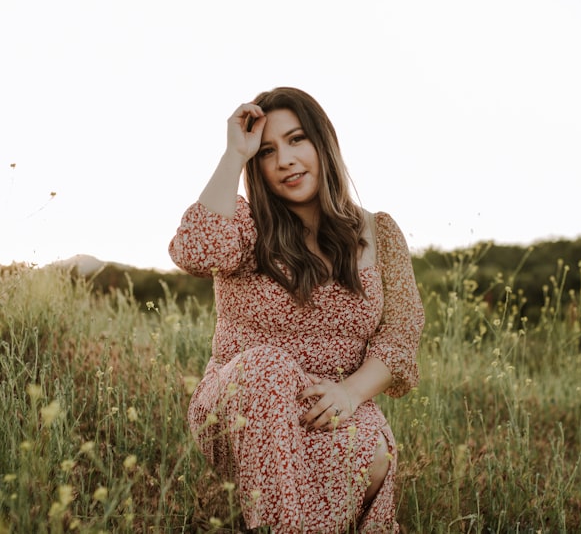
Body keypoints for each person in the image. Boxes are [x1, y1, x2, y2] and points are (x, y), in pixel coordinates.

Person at [169, 87, 425, 533]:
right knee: (268, 366)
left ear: (323, 143)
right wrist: (234, 153)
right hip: (242, 408)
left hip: (330, 407)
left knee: (371, 455)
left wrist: (349, 393)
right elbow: (194, 250)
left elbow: (401, 333)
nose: (284, 160)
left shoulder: (378, 232)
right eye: (267, 151)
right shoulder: (246, 225)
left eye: (297, 139)